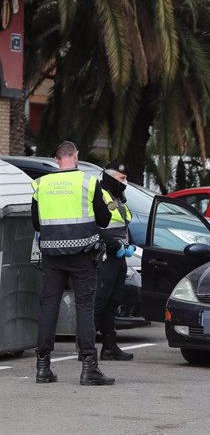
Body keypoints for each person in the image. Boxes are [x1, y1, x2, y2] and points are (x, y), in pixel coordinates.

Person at [31, 141, 115, 385]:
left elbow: (36, 223)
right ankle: (89, 368)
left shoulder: (41, 184)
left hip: (51, 256)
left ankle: (43, 368)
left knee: (49, 307)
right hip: (82, 255)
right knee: (85, 307)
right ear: (76, 157)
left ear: (57, 159)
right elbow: (104, 219)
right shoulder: (88, 182)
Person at [93, 161, 135, 360]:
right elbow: (95, 226)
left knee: (112, 302)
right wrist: (114, 245)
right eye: (121, 178)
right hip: (104, 255)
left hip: (119, 256)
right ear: (110, 176)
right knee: (98, 302)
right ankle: (86, 348)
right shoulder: (99, 193)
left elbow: (123, 224)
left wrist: (129, 244)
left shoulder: (118, 197)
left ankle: (109, 346)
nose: (124, 182)